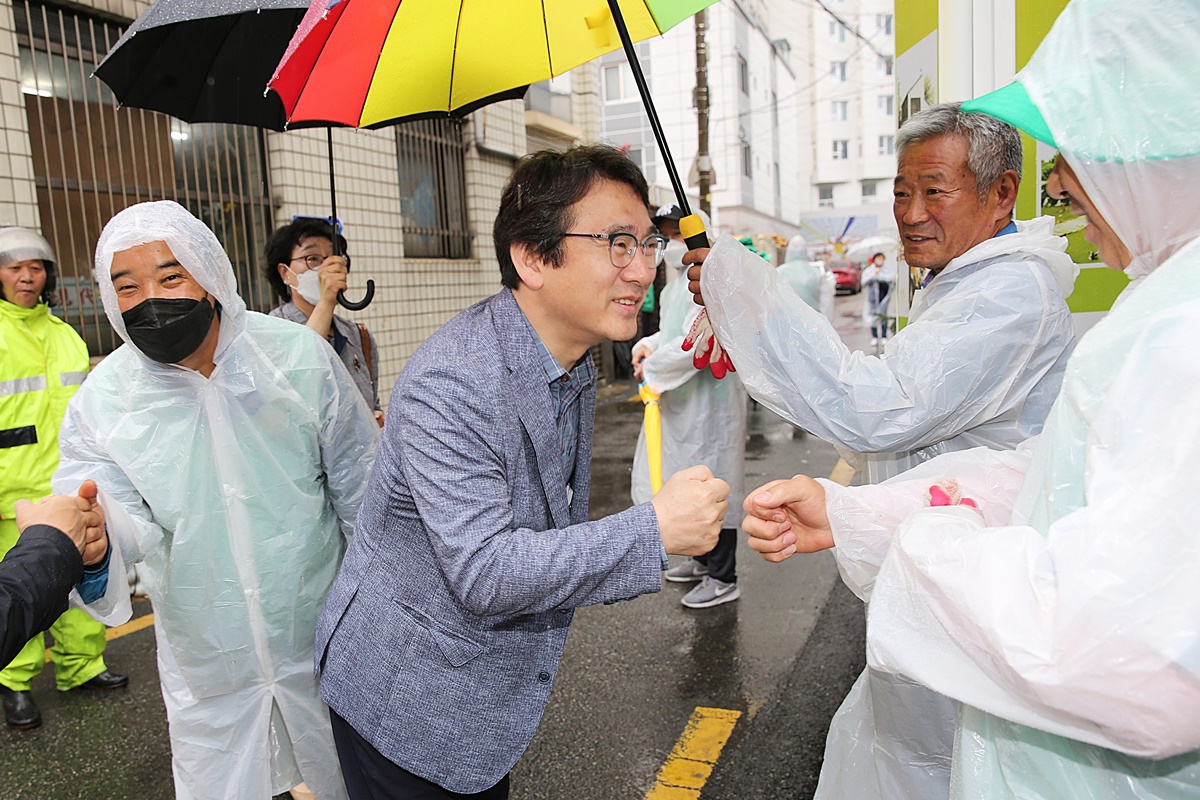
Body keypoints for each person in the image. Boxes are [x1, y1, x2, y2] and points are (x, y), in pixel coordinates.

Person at [744, 1, 1200, 797]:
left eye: (1079, 153)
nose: (1065, 183)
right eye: (900, 190)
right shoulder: (1154, 304)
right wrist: (858, 515)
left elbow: (1131, 657)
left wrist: (924, 546)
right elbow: (1045, 474)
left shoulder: (1147, 325)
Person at [685, 105, 1079, 799]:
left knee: (943, 765)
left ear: (1002, 194)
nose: (912, 211)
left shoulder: (1010, 291)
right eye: (901, 191)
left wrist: (744, 295)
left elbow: (878, 405)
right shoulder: (971, 278)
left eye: (935, 189)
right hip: (940, 576)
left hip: (970, 585)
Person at [315, 145, 730, 799]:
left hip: (482, 702)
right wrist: (654, 529)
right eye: (617, 243)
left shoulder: (573, 357)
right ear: (532, 257)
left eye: (649, 244)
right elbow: (485, 572)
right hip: (407, 704)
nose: (643, 269)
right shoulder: (454, 380)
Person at [53, 201, 378, 800]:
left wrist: (392, 615)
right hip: (209, 656)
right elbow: (119, 522)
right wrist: (98, 542)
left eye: (170, 276)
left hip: (326, 638)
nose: (150, 299)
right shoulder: (105, 402)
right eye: (127, 286)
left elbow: (366, 496)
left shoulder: (296, 359)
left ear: (209, 272)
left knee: (350, 779)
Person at [0, 227, 127, 731]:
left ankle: (82, 666)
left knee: (75, 582)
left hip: (67, 487)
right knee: (20, 589)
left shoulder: (65, 334)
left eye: (36, 267)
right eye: (15, 267)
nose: (27, 276)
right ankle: (14, 682)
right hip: (12, 494)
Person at [632, 216, 748, 609]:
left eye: (681, 233)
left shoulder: (709, 281)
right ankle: (702, 560)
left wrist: (651, 369)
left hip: (710, 403)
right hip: (680, 402)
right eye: (667, 235)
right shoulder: (673, 287)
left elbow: (691, 346)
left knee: (714, 480)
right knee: (687, 478)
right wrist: (648, 346)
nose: (674, 242)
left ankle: (723, 575)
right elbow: (670, 335)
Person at [266, 217, 384, 427]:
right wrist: (326, 301)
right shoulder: (270, 331)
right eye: (313, 258)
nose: (326, 268)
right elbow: (291, 396)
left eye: (333, 257)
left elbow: (372, 403)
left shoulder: (358, 335)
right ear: (285, 273)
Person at [2, 484, 108, 666]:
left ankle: (82, 665)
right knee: (15, 593)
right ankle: (17, 678)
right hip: (12, 501)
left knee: (69, 602)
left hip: (62, 495)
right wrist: (52, 546)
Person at [776, 234, 835, 320]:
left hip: (785, 323)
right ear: (805, 252)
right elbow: (826, 303)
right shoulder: (816, 273)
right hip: (812, 323)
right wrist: (827, 325)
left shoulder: (778, 272)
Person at [861, 252, 893, 345]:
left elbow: (890, 278)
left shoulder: (887, 269)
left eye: (881, 258)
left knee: (883, 317)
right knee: (873, 317)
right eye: (878, 258)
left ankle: (884, 336)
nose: (880, 260)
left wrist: (879, 276)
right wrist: (873, 275)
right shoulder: (869, 270)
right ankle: (874, 336)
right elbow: (864, 281)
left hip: (883, 296)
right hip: (872, 298)